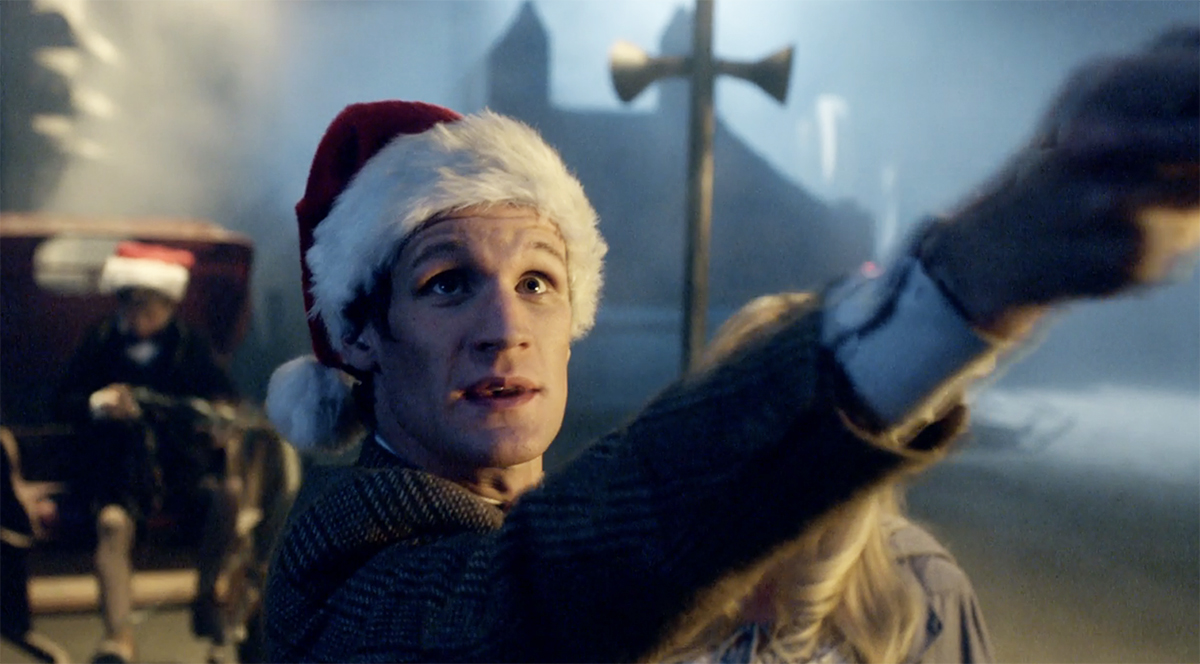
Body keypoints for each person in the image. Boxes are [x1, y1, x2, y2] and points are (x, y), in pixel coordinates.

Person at [262, 27, 1197, 663]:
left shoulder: (559, 536)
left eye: (538, 282)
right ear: (360, 334)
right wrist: (968, 279)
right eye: (445, 283)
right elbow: (547, 593)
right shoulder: (344, 575)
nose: (504, 327)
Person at [650, 293, 992, 664]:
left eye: (801, 423)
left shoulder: (919, 589)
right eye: (743, 419)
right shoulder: (651, 576)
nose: (773, 451)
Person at [53, 242, 240, 663]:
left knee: (227, 495)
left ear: (168, 306)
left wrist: (219, 423)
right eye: (131, 307)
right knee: (112, 524)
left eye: (149, 310)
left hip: (180, 469)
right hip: (117, 470)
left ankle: (207, 596)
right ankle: (118, 635)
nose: (138, 318)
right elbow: (61, 401)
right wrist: (98, 403)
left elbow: (224, 397)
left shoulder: (189, 343)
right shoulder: (101, 339)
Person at [1, 426, 71, 664]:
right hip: (9, 540)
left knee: (13, 625)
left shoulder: (3, 437)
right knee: (12, 626)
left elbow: (14, 486)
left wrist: (39, 500)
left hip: (10, 542)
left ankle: (55, 658)